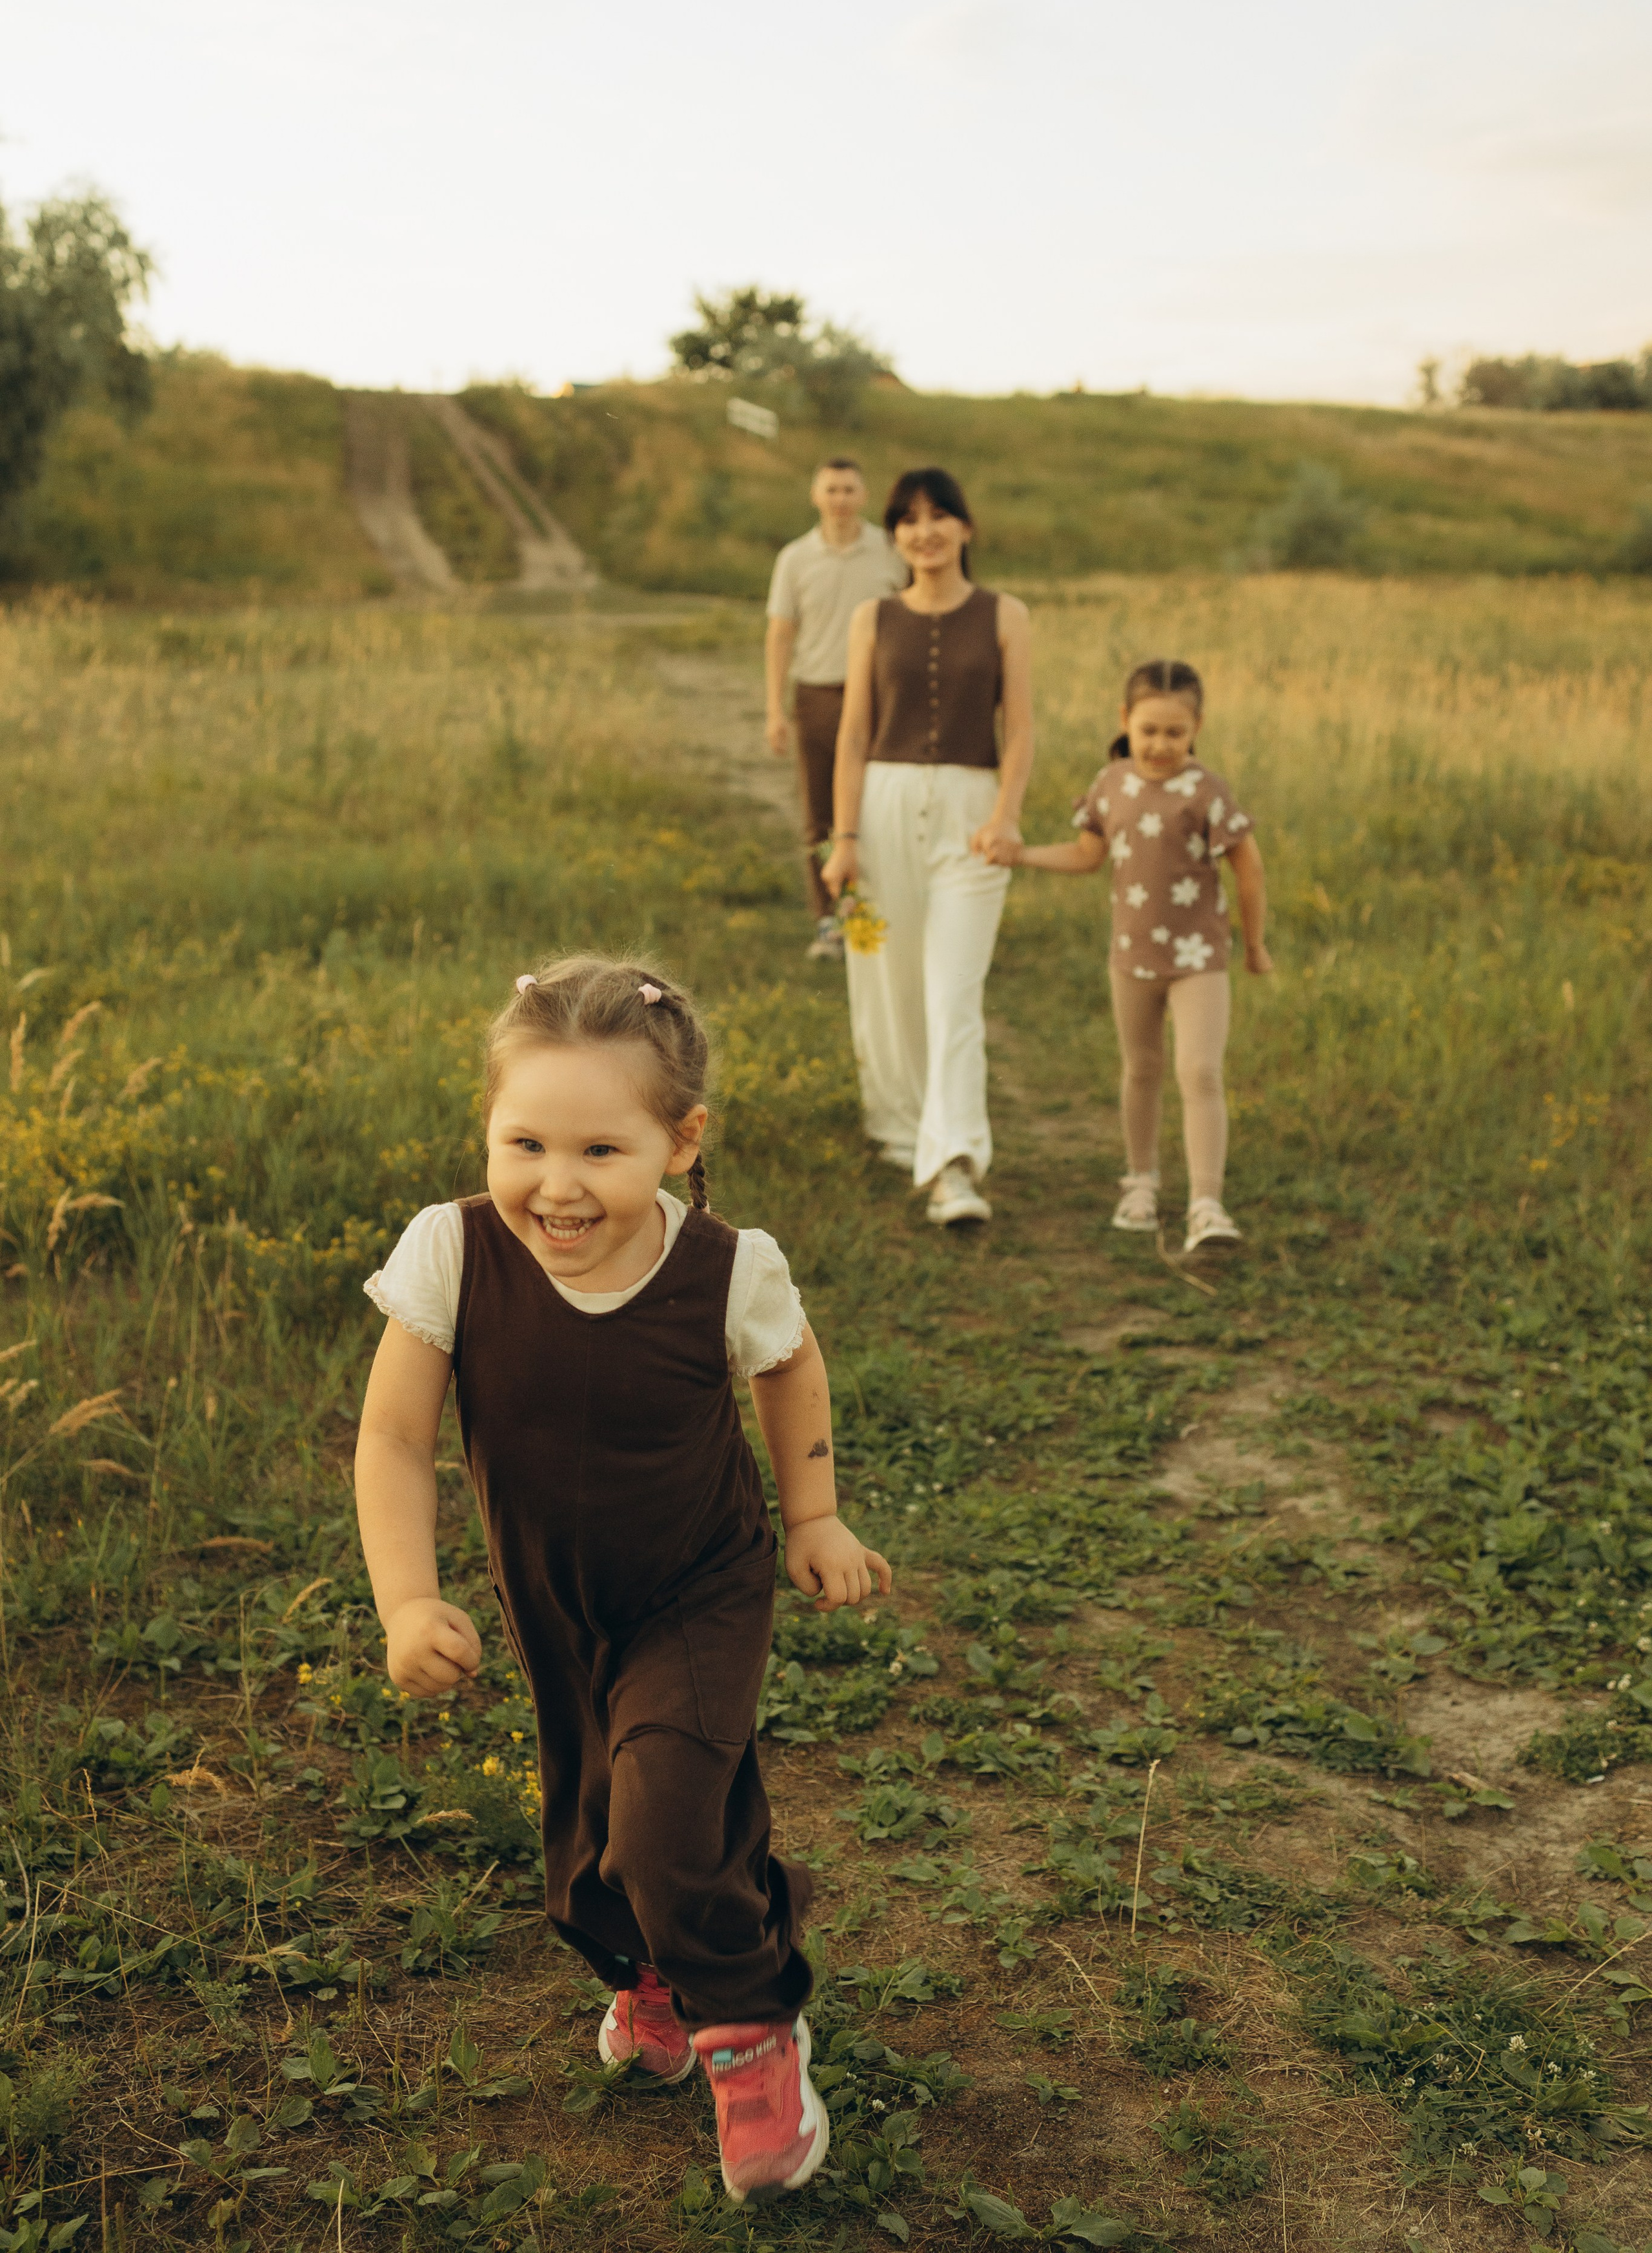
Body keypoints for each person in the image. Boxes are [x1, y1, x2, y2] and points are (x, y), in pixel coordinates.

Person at [352, 955, 891, 2205]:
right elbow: (391, 1437)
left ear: (679, 1138)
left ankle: (749, 2028)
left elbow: (791, 1370)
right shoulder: (452, 1253)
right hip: (556, 1602)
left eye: (600, 1150)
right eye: (523, 1141)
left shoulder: (722, 1267)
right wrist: (406, 1599)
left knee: (659, 1814)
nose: (557, 1184)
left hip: (700, 1586)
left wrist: (810, 1512)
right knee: (596, 1840)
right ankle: (651, 1971)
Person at [998, 658, 1270, 1252]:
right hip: (1131, 955)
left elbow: (1248, 868)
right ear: (1126, 720)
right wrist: (1022, 855)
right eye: (1149, 730)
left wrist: (1255, 945)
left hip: (1199, 956)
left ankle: (1206, 1203)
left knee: (1199, 1070)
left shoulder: (1207, 791)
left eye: (1176, 732)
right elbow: (1086, 855)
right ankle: (1140, 1183)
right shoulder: (1111, 783)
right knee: (1141, 1068)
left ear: (1197, 726)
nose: (1161, 745)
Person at [820, 467, 1033, 1226]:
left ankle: (953, 1163)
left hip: (973, 815)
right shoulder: (871, 619)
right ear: (894, 535)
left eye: (940, 515)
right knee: (884, 978)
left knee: (953, 990)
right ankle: (900, 1125)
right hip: (881, 809)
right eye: (908, 519)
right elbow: (850, 735)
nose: (925, 530)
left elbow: (1023, 730)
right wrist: (842, 839)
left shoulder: (1006, 614)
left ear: (966, 529)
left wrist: (1007, 816)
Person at [765, 459, 904, 960]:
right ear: (815, 495)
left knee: (883, 806)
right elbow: (781, 632)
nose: (840, 498)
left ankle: (879, 910)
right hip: (819, 693)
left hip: (884, 695)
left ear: (863, 496)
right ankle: (830, 920)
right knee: (820, 813)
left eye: (849, 489)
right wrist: (774, 708)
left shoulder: (890, 551)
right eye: (831, 490)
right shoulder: (796, 558)